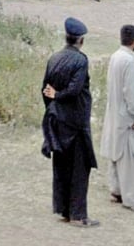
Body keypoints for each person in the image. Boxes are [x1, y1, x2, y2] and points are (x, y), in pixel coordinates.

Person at [41, 17, 99, 228]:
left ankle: (63, 209)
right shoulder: (80, 61)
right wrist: (59, 96)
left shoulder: (54, 58)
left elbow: (45, 91)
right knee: (79, 169)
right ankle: (77, 215)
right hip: (75, 122)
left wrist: (53, 106)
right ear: (81, 40)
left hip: (57, 121)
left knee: (62, 167)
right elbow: (74, 90)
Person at [100, 25, 134, 213]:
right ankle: (132, 199)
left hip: (114, 111)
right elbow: (131, 91)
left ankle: (116, 190)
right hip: (125, 114)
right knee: (128, 157)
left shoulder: (115, 56)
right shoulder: (128, 60)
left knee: (115, 153)